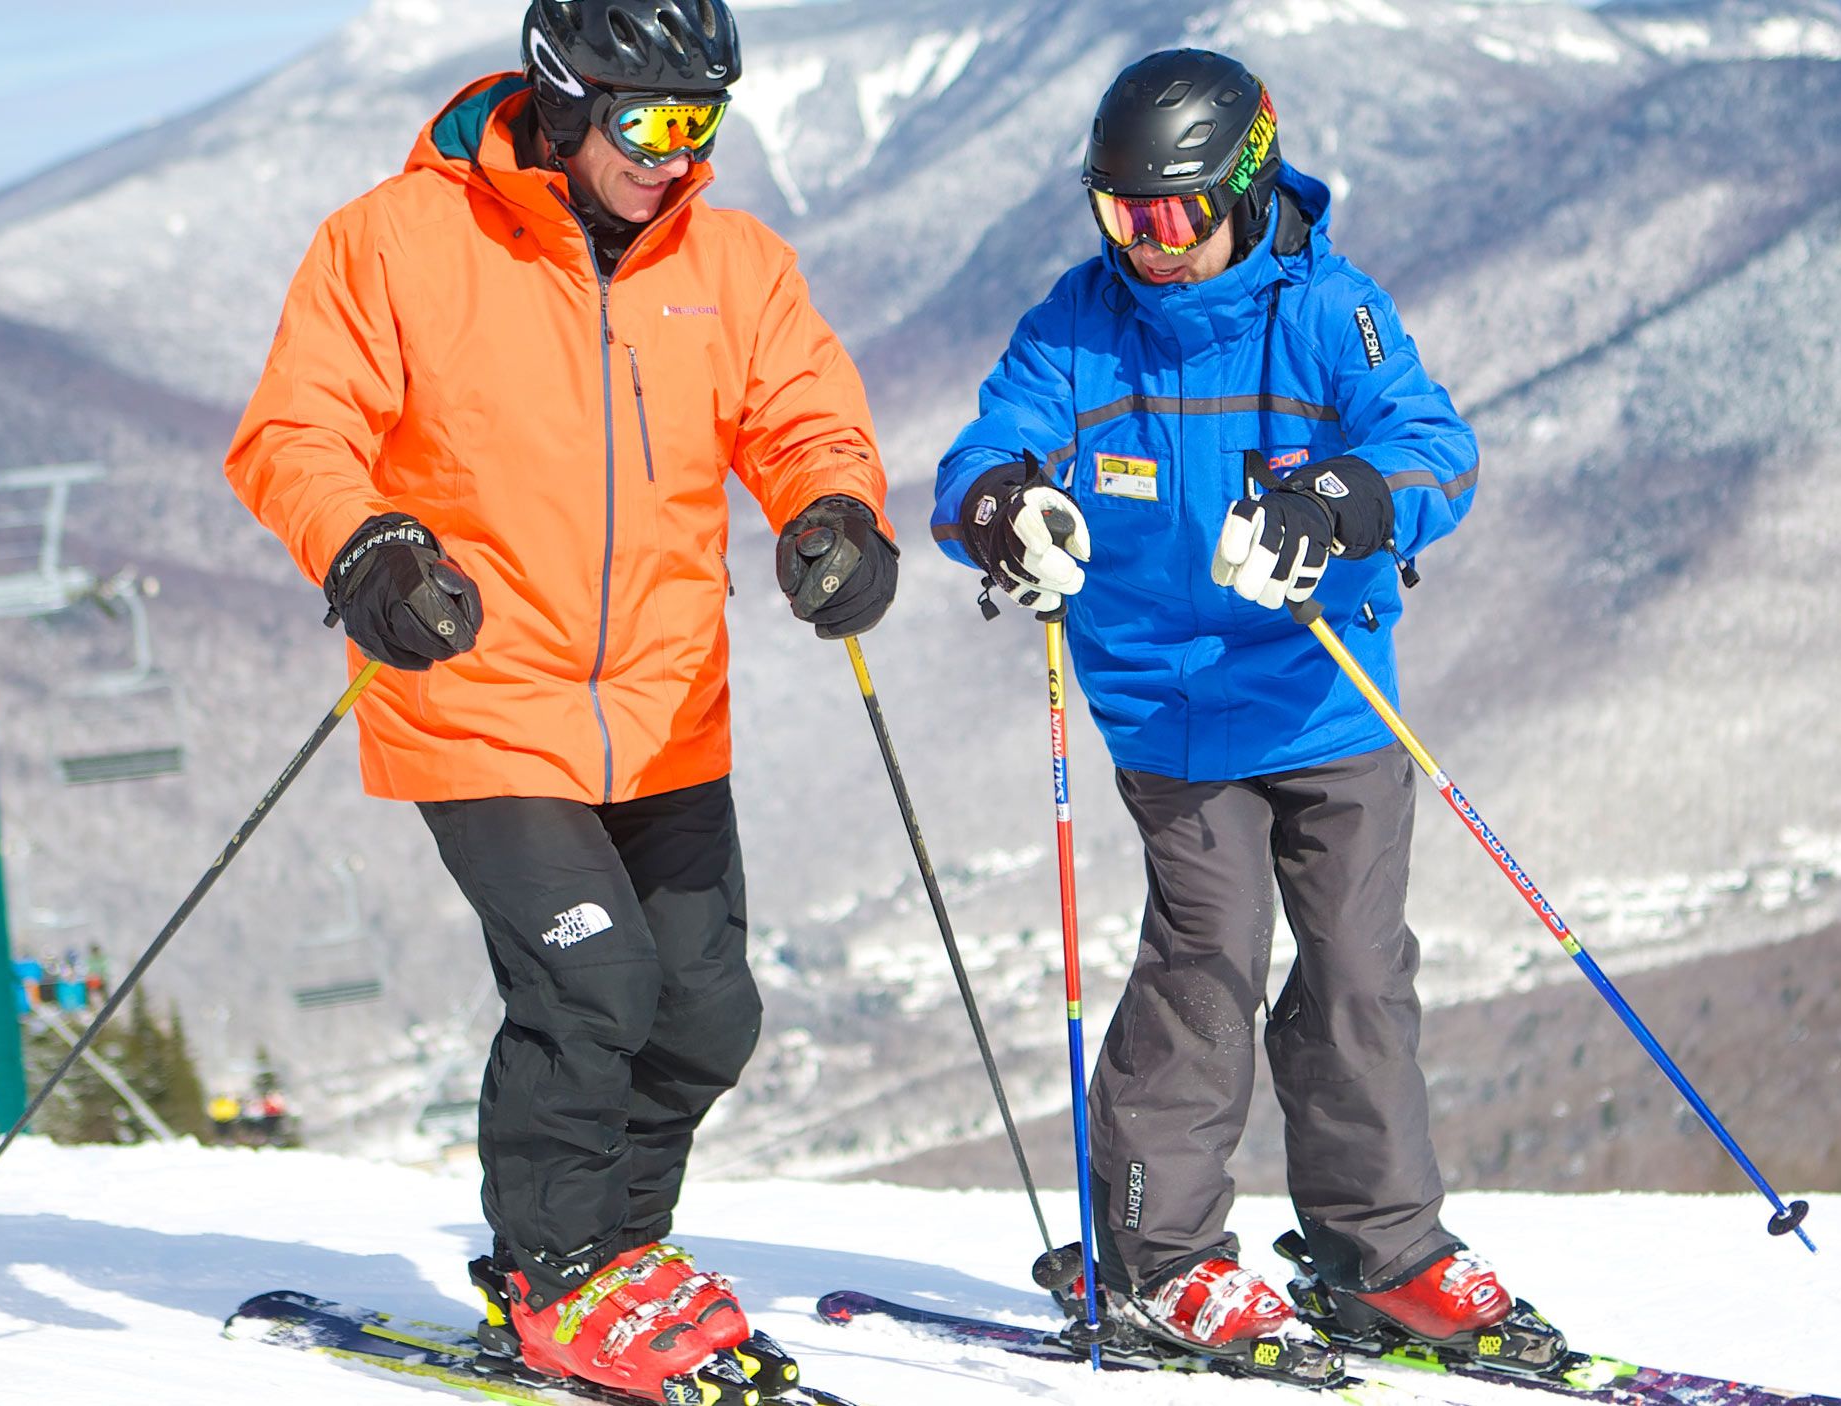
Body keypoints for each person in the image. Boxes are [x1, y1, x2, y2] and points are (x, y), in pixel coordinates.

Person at [223, 1, 894, 1398]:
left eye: (705, 120)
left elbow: (802, 415)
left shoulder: (731, 259)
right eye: (653, 120)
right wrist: (369, 548)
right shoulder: (395, 243)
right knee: (595, 985)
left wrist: (836, 512)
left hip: (663, 704)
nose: (679, 154)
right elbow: (298, 428)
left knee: (707, 1012)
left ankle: (620, 1254)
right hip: (477, 694)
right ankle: (557, 1272)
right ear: (566, 97)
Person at [932, 49, 1559, 1384]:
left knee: (1357, 972)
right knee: (1210, 961)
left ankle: (1377, 1252)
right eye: (1120, 215)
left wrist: (1332, 506)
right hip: (1173, 714)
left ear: (1246, 182)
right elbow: (984, 451)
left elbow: (1433, 447)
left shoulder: (1332, 310)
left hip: (1331, 696)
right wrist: (1005, 512)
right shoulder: (1080, 324)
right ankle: (1159, 1254)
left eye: (1169, 215)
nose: (1146, 246)